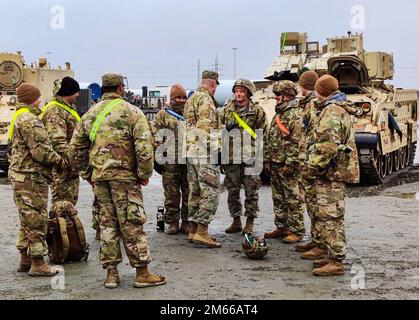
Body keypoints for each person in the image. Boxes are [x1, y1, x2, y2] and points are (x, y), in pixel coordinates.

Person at [70, 73, 166, 289]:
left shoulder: (90, 115)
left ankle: (111, 274)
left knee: (107, 224)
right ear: (121, 88)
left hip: (100, 178)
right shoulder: (132, 112)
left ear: (103, 89)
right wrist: (144, 174)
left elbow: (74, 150)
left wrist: (88, 174)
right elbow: (144, 147)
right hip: (125, 178)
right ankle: (142, 272)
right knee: (132, 222)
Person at [305, 75, 360, 276]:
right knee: (328, 215)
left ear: (321, 91)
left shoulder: (331, 111)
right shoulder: (334, 107)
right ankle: (330, 254)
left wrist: (311, 167)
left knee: (332, 216)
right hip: (331, 171)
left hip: (330, 172)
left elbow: (326, 146)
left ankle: (336, 261)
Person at [8, 83, 66, 276]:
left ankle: (25, 259)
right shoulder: (29, 120)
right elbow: (41, 152)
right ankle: (38, 263)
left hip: (20, 175)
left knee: (26, 219)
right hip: (31, 177)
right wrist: (61, 161)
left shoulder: (20, 116)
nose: (41, 100)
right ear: (33, 98)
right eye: (39, 97)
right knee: (36, 219)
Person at [219, 79, 268, 235]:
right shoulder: (227, 110)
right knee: (232, 191)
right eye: (236, 91)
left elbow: (263, 134)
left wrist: (263, 158)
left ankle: (250, 222)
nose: (239, 94)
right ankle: (236, 221)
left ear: (248, 92)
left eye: (242, 91)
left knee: (251, 191)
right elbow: (218, 131)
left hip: (250, 158)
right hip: (231, 157)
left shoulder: (257, 111)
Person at [264, 81, 305, 244]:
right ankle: (282, 227)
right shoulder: (279, 113)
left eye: (279, 95)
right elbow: (270, 138)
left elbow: (297, 142)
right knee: (278, 197)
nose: (276, 97)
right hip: (275, 162)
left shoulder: (294, 114)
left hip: (288, 165)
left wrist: (290, 164)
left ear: (288, 95)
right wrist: (267, 160)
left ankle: (297, 230)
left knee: (293, 198)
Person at [184, 70, 222, 248]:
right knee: (211, 191)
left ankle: (193, 230)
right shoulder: (206, 100)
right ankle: (202, 231)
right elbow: (204, 128)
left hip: (191, 151)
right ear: (213, 84)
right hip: (204, 152)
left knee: (196, 191)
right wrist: (216, 150)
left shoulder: (191, 98)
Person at [152, 84, 190, 235]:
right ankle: (172, 222)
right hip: (170, 162)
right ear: (171, 98)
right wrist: (157, 158)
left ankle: (186, 222)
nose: (181, 100)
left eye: (183, 97)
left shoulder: (190, 113)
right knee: (171, 194)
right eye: (178, 98)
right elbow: (155, 136)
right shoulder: (162, 115)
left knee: (189, 193)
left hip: (188, 161)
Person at [294, 71, 323, 256]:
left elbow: (313, 134)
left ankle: (320, 244)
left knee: (316, 205)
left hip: (312, 160)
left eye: (301, 84)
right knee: (311, 205)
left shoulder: (313, 104)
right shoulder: (309, 103)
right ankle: (316, 240)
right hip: (307, 157)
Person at [40, 77, 81, 207]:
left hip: (69, 167)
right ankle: (59, 227)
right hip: (62, 168)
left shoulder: (66, 108)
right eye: (75, 92)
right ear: (67, 93)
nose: (78, 95)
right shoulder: (55, 111)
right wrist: (75, 161)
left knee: (69, 206)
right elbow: (57, 142)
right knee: (62, 207)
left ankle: (65, 227)